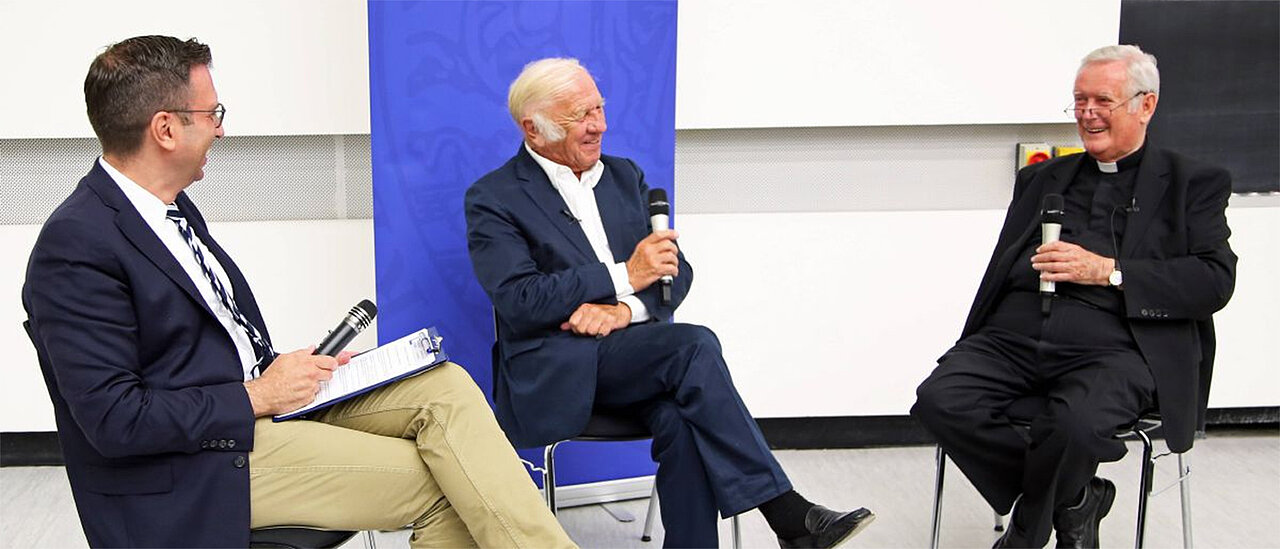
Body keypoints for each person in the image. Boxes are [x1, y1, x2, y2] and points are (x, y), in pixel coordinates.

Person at [22, 35, 575, 549]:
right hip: (191, 468)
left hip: (251, 415)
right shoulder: (76, 246)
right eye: (212, 114)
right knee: (446, 482)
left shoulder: (170, 209)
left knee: (445, 385)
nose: (221, 130)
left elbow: (202, 343)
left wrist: (283, 372)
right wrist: (258, 395)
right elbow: (116, 420)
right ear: (165, 129)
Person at [464, 57, 875, 549]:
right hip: (558, 368)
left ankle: (762, 527)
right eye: (580, 116)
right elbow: (520, 300)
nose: (599, 125)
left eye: (599, 108)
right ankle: (786, 512)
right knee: (694, 345)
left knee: (683, 417)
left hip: (639, 359)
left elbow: (675, 275)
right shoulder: (494, 198)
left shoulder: (624, 177)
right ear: (533, 128)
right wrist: (626, 274)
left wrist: (624, 310)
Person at [911, 44, 1236, 548]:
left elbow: (1213, 281)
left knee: (1076, 427)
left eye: (1103, 100)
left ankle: (1025, 535)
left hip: (1118, 345)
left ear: (1146, 105)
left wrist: (1109, 271)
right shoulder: (1040, 179)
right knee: (940, 400)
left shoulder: (1193, 183)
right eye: (1080, 100)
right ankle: (1076, 500)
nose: (1087, 113)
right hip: (1013, 336)